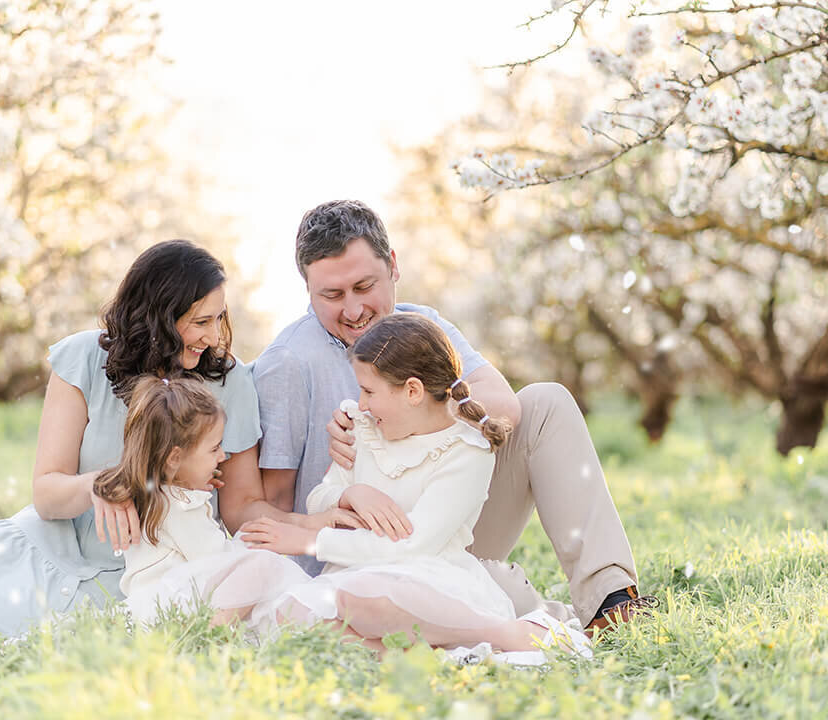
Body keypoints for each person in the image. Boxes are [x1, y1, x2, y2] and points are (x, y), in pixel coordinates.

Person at [233, 200, 654, 634]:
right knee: (482, 611)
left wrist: (410, 416)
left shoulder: (420, 325)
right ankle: (500, 609)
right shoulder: (287, 363)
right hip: (348, 561)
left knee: (545, 403)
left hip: (442, 529)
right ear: (307, 289)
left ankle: (611, 601)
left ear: (393, 266)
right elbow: (268, 506)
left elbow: (502, 406)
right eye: (332, 295)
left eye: (364, 286)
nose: (354, 310)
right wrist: (342, 494)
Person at [0, 240, 291, 636]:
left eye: (220, 318)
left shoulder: (230, 382)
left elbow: (240, 509)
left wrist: (317, 528)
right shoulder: (83, 359)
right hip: (54, 549)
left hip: (146, 571)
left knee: (84, 628)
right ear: (157, 317)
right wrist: (102, 485)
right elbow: (47, 494)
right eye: (201, 322)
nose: (216, 337)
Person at [240, 314, 590, 656]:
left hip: (424, 578)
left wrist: (311, 541)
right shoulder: (364, 427)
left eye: (368, 391)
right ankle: (411, 652)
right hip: (351, 573)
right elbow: (319, 498)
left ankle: (506, 633)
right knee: (290, 614)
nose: (361, 402)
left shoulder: (466, 452)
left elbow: (412, 546)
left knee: (367, 599)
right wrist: (351, 494)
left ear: (412, 391)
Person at [95, 375, 311, 626]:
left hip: (159, 602)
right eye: (214, 448)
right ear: (175, 458)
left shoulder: (157, 496)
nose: (222, 456)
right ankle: (207, 631)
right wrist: (251, 542)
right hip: (170, 608)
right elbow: (216, 560)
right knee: (263, 567)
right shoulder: (180, 506)